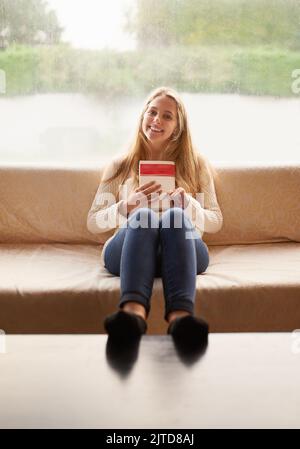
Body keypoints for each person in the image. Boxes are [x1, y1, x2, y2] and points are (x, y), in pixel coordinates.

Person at [87, 87, 223, 349]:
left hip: (183, 250)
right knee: (145, 216)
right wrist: (126, 207)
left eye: (167, 116)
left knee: (173, 216)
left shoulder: (197, 164)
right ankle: (132, 316)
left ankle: (181, 319)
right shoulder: (120, 164)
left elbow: (215, 221)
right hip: (130, 249)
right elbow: (93, 221)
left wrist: (189, 206)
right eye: (152, 112)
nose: (157, 120)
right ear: (142, 117)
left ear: (179, 127)